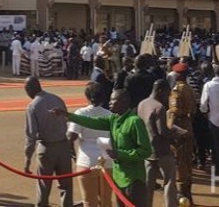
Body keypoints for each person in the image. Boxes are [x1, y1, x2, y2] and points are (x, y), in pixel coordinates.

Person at [55, 89, 152, 206]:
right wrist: (67, 115)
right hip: (118, 176)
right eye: (110, 100)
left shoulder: (134, 121)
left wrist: (121, 154)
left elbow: (146, 151)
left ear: (124, 102)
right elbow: (91, 122)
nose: (110, 103)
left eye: (113, 100)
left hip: (133, 178)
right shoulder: (114, 119)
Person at [23, 76, 74, 207]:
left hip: (46, 148)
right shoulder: (57, 98)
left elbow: (31, 136)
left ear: (29, 89)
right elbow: (66, 121)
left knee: (44, 187)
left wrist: (27, 159)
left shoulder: (32, 106)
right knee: (66, 186)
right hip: (63, 146)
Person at [139, 79, 188, 207]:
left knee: (148, 185)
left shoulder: (142, 104)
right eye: (167, 93)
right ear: (160, 91)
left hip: (148, 150)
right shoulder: (159, 107)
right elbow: (163, 132)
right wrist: (179, 134)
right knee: (169, 182)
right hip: (163, 151)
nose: (168, 96)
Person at [67, 82, 113, 207]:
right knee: (106, 200)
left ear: (86, 96)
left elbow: (71, 137)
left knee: (89, 201)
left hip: (86, 161)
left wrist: (72, 152)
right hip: (107, 161)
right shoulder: (110, 115)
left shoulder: (81, 113)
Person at [167, 61, 197, 201]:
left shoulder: (176, 90)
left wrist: (170, 129)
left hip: (178, 127)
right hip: (188, 125)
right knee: (187, 160)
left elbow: (173, 112)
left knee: (179, 162)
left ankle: (182, 194)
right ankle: (188, 193)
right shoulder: (190, 89)